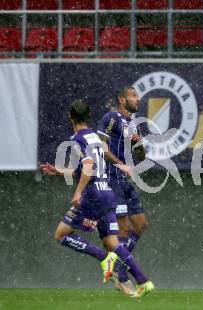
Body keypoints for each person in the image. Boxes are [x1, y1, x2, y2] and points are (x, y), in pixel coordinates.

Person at [40, 100, 154, 297]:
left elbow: (88, 166)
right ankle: (144, 281)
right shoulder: (94, 136)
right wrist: (58, 171)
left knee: (61, 234)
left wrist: (78, 192)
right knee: (113, 242)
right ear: (88, 117)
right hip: (107, 192)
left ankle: (104, 258)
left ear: (70, 117)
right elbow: (83, 167)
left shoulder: (77, 139)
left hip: (92, 195)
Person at [96, 86, 148, 294]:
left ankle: (115, 267)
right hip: (111, 178)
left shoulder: (133, 125)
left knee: (141, 224)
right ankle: (122, 277)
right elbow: (101, 146)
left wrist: (140, 144)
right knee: (123, 228)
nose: (138, 99)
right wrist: (120, 164)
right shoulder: (112, 117)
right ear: (122, 99)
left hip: (126, 180)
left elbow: (142, 157)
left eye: (137, 96)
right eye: (133, 96)